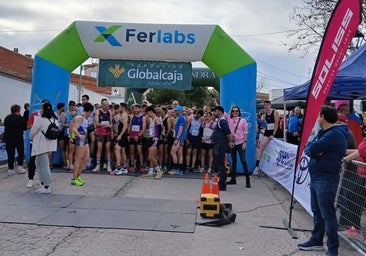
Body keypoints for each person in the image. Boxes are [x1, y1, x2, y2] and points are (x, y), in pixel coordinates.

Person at [297, 105, 348, 256]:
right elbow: (309, 148)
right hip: (317, 175)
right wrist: (315, 151)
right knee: (317, 211)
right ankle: (317, 240)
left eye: (319, 116)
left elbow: (312, 149)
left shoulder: (334, 134)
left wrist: (315, 151)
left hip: (326, 177)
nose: (318, 119)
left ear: (323, 117)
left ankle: (333, 250)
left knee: (327, 214)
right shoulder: (324, 132)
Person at [340, 128, 366, 240]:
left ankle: (355, 229)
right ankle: (354, 229)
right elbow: (360, 150)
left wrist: (346, 159)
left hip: (363, 175)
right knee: (353, 199)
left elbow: (362, 151)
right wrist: (346, 158)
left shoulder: (347, 133)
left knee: (353, 199)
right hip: (362, 174)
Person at [30, 102, 59, 194]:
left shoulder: (40, 120)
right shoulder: (55, 120)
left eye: (41, 108)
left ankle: (46, 186)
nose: (40, 110)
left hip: (41, 145)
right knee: (38, 162)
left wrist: (31, 138)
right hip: (50, 145)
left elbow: (32, 132)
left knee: (44, 165)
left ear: (44, 109)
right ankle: (43, 183)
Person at [225, 106, 251, 188]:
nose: (235, 112)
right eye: (233, 111)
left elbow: (246, 132)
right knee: (234, 161)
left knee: (243, 160)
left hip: (240, 143)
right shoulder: (229, 119)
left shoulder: (243, 120)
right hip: (233, 143)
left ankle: (247, 180)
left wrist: (245, 142)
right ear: (231, 112)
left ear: (239, 112)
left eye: (236, 111)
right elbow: (224, 113)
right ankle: (233, 179)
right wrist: (215, 103)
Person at [69, 102, 94, 186]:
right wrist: (79, 135)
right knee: (78, 159)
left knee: (86, 158)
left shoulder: (84, 119)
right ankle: (74, 178)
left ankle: (78, 175)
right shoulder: (80, 118)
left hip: (85, 139)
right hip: (80, 139)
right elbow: (74, 129)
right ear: (90, 111)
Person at [211, 105, 234, 191]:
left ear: (219, 111)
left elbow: (228, 133)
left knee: (221, 164)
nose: (214, 112)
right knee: (219, 163)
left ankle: (222, 184)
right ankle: (221, 182)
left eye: (215, 111)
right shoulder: (220, 120)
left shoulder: (222, 121)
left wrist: (230, 142)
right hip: (218, 144)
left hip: (221, 145)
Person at [254, 100, 279, 174]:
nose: (267, 106)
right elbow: (265, 123)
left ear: (270, 105)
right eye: (265, 105)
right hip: (268, 131)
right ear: (264, 106)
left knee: (275, 150)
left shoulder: (275, 112)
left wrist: (273, 134)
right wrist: (263, 120)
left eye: (268, 105)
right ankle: (257, 166)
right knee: (261, 147)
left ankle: (274, 168)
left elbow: (276, 124)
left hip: (275, 132)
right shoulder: (265, 114)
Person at [4, 104, 27, 176]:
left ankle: (10, 169)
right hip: (18, 138)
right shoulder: (20, 118)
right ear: (18, 111)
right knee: (20, 152)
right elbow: (25, 128)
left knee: (10, 154)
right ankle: (19, 167)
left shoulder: (7, 118)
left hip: (8, 139)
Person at [92, 98, 113, 174]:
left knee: (108, 149)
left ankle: (108, 165)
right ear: (102, 105)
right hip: (100, 133)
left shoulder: (110, 112)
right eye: (105, 106)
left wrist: (111, 131)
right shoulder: (98, 112)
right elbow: (97, 123)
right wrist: (106, 125)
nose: (107, 107)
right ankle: (97, 165)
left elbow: (111, 123)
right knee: (99, 148)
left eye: (108, 106)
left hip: (107, 133)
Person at [168, 105, 186, 175]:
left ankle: (175, 168)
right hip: (180, 138)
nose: (175, 112)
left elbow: (181, 129)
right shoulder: (179, 118)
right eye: (175, 110)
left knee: (172, 152)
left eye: (176, 110)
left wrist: (177, 138)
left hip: (179, 138)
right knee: (179, 154)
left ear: (180, 111)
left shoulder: (181, 118)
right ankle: (180, 169)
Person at [185, 108, 204, 173]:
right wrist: (186, 138)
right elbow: (186, 129)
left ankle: (193, 166)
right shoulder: (190, 119)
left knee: (195, 152)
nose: (198, 117)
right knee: (189, 151)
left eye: (199, 116)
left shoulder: (200, 120)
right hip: (190, 136)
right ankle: (187, 166)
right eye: (197, 115)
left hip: (197, 136)